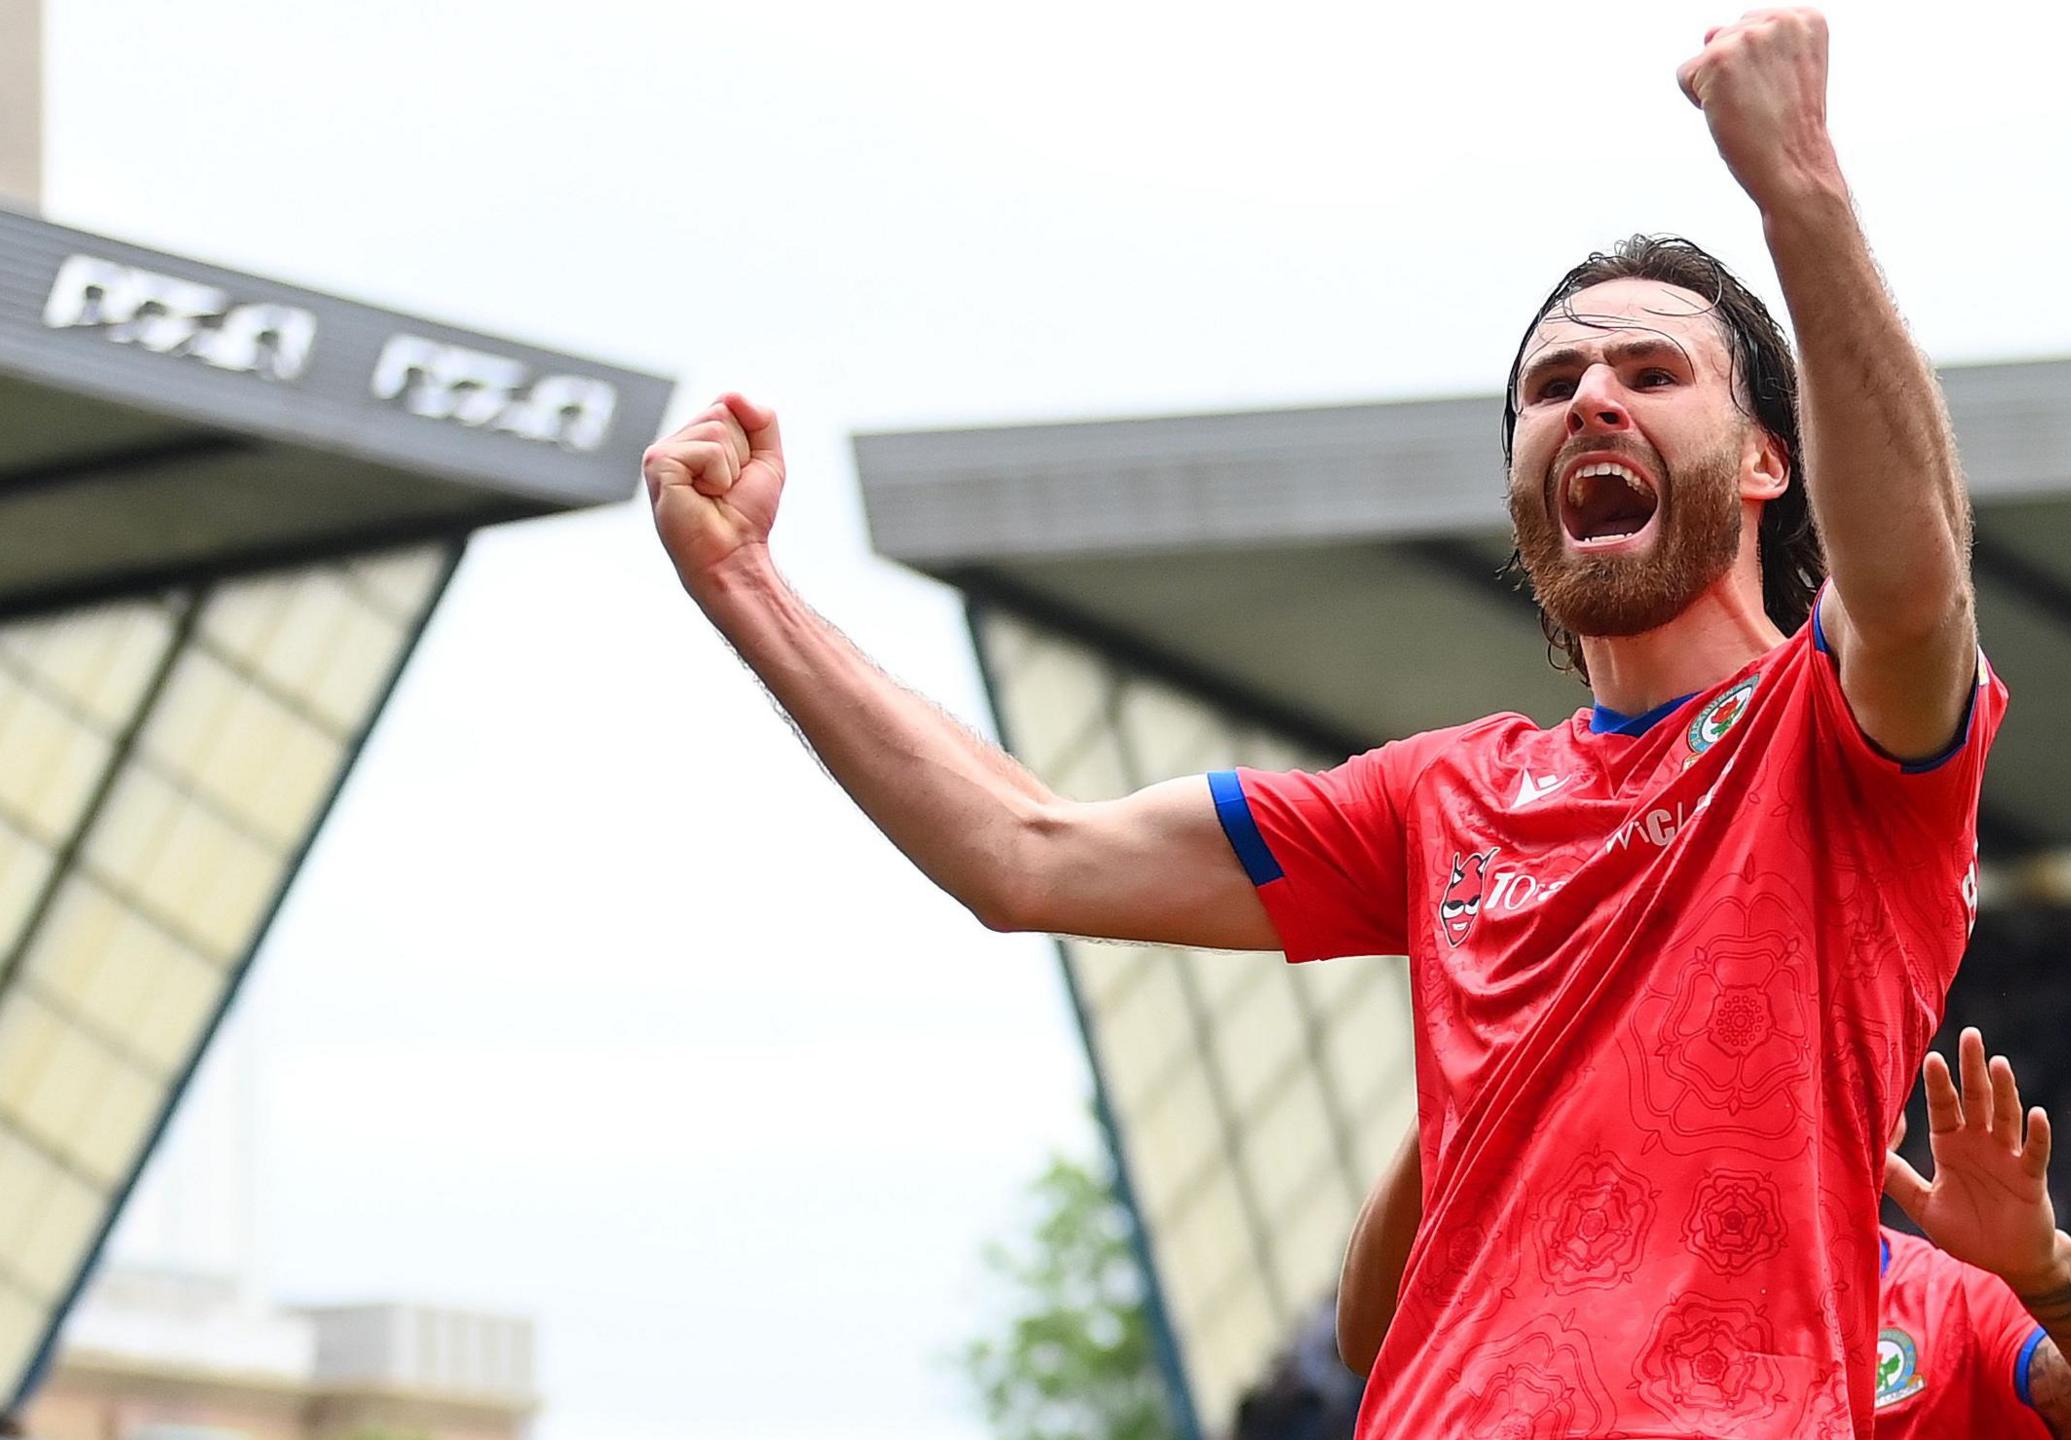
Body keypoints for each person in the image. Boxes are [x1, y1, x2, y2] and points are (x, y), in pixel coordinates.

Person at [644, 10, 2002, 1435]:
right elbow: (1025, 851)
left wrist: (1800, 187)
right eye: (1550, 387)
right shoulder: (1440, 798)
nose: (1590, 395)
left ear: (1766, 463)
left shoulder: (1842, 736)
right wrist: (742, 582)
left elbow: (1914, 592)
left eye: (1651, 374)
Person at [1338, 1030, 2071, 1440]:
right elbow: (1377, 1345)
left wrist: (2045, 1267)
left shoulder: (1954, 1301)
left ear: (1888, 1125)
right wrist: (1472, 1079)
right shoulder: (1600, 1291)